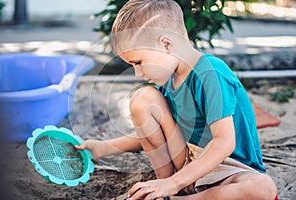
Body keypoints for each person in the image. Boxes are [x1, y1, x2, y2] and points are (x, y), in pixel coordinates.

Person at [76, 0, 278, 199]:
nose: (137, 72)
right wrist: (103, 148)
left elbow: (224, 143)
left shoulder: (210, 73)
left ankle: (174, 194)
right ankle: (163, 187)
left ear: (166, 44)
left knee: (261, 187)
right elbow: (161, 135)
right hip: (187, 167)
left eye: (138, 62)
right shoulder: (168, 80)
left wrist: (173, 184)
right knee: (142, 98)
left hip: (230, 171)